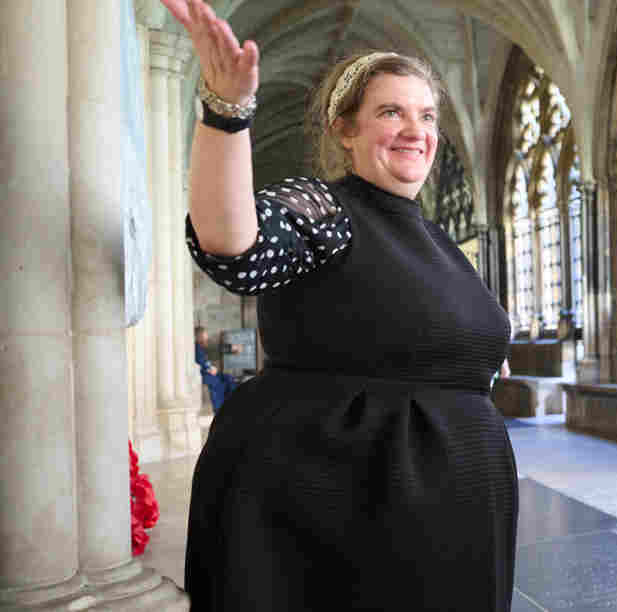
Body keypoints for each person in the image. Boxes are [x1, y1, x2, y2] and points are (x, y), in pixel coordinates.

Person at [162, 1, 516, 609]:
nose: (416, 130)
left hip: (449, 518)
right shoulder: (327, 209)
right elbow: (233, 244)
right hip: (348, 516)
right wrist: (228, 113)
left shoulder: (434, 237)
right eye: (391, 112)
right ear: (345, 129)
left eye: (427, 115)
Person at [194, 325, 239, 414]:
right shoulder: (196, 348)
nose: (207, 338)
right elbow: (203, 364)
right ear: (199, 337)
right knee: (217, 383)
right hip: (204, 375)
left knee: (228, 378)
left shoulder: (202, 347)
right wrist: (210, 368)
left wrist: (212, 368)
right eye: (205, 336)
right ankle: (220, 410)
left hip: (210, 372)